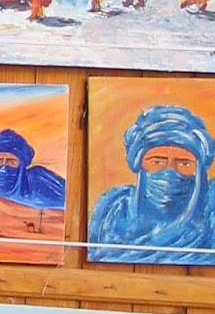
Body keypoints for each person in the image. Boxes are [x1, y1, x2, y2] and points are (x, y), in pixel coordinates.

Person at [88, 104, 215, 263]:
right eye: (157, 161)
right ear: (139, 163)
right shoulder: (111, 210)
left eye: (184, 163)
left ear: (199, 169)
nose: (170, 171)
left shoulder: (210, 216)